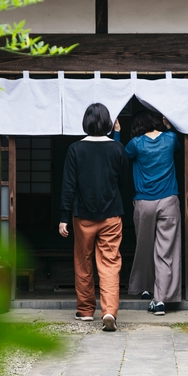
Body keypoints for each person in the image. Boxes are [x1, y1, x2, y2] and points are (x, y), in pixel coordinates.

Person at [59, 103, 129, 332]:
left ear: (86, 122)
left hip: (83, 216)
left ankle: (86, 310)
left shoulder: (75, 149)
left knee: (83, 261)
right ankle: (109, 311)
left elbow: (69, 186)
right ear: (109, 123)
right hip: (111, 214)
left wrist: (63, 217)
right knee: (109, 263)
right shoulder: (118, 149)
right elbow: (124, 184)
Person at [114, 109, 181, 316]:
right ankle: (160, 299)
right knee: (166, 250)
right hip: (169, 200)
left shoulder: (136, 143)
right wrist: (170, 126)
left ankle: (143, 288)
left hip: (143, 201)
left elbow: (120, 157)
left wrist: (117, 133)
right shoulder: (170, 139)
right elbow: (179, 147)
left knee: (143, 246)